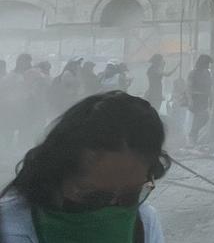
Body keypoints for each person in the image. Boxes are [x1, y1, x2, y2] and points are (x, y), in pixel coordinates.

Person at [0, 91, 168, 242]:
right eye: (94, 198)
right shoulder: (11, 228)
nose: (111, 211)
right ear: (57, 173)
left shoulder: (143, 224)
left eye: (131, 196)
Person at [0, 54, 32, 148]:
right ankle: (7, 149)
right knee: (9, 130)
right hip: (11, 106)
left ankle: (18, 149)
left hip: (23, 106)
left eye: (28, 62)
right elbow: (3, 89)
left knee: (23, 129)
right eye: (25, 61)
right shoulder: (10, 76)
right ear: (19, 62)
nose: (27, 64)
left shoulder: (30, 75)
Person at [187, 54, 213, 145]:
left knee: (201, 118)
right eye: (207, 63)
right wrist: (190, 100)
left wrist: (211, 98)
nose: (208, 65)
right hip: (196, 99)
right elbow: (189, 88)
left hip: (205, 99)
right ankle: (192, 136)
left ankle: (193, 137)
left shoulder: (207, 73)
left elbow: (210, 86)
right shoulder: (193, 73)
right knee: (202, 117)